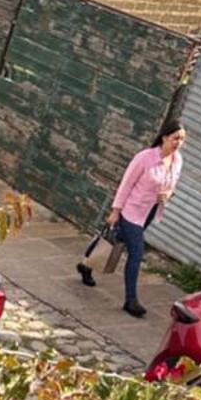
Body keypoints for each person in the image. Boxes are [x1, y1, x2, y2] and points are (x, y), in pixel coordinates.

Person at [76, 118, 185, 318]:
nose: (178, 143)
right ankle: (130, 300)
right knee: (136, 252)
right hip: (131, 211)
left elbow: (172, 187)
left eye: (182, 139)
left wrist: (169, 194)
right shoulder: (145, 158)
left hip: (150, 212)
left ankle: (84, 265)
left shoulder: (177, 160)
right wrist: (116, 211)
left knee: (114, 239)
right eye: (175, 138)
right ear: (164, 137)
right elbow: (126, 184)